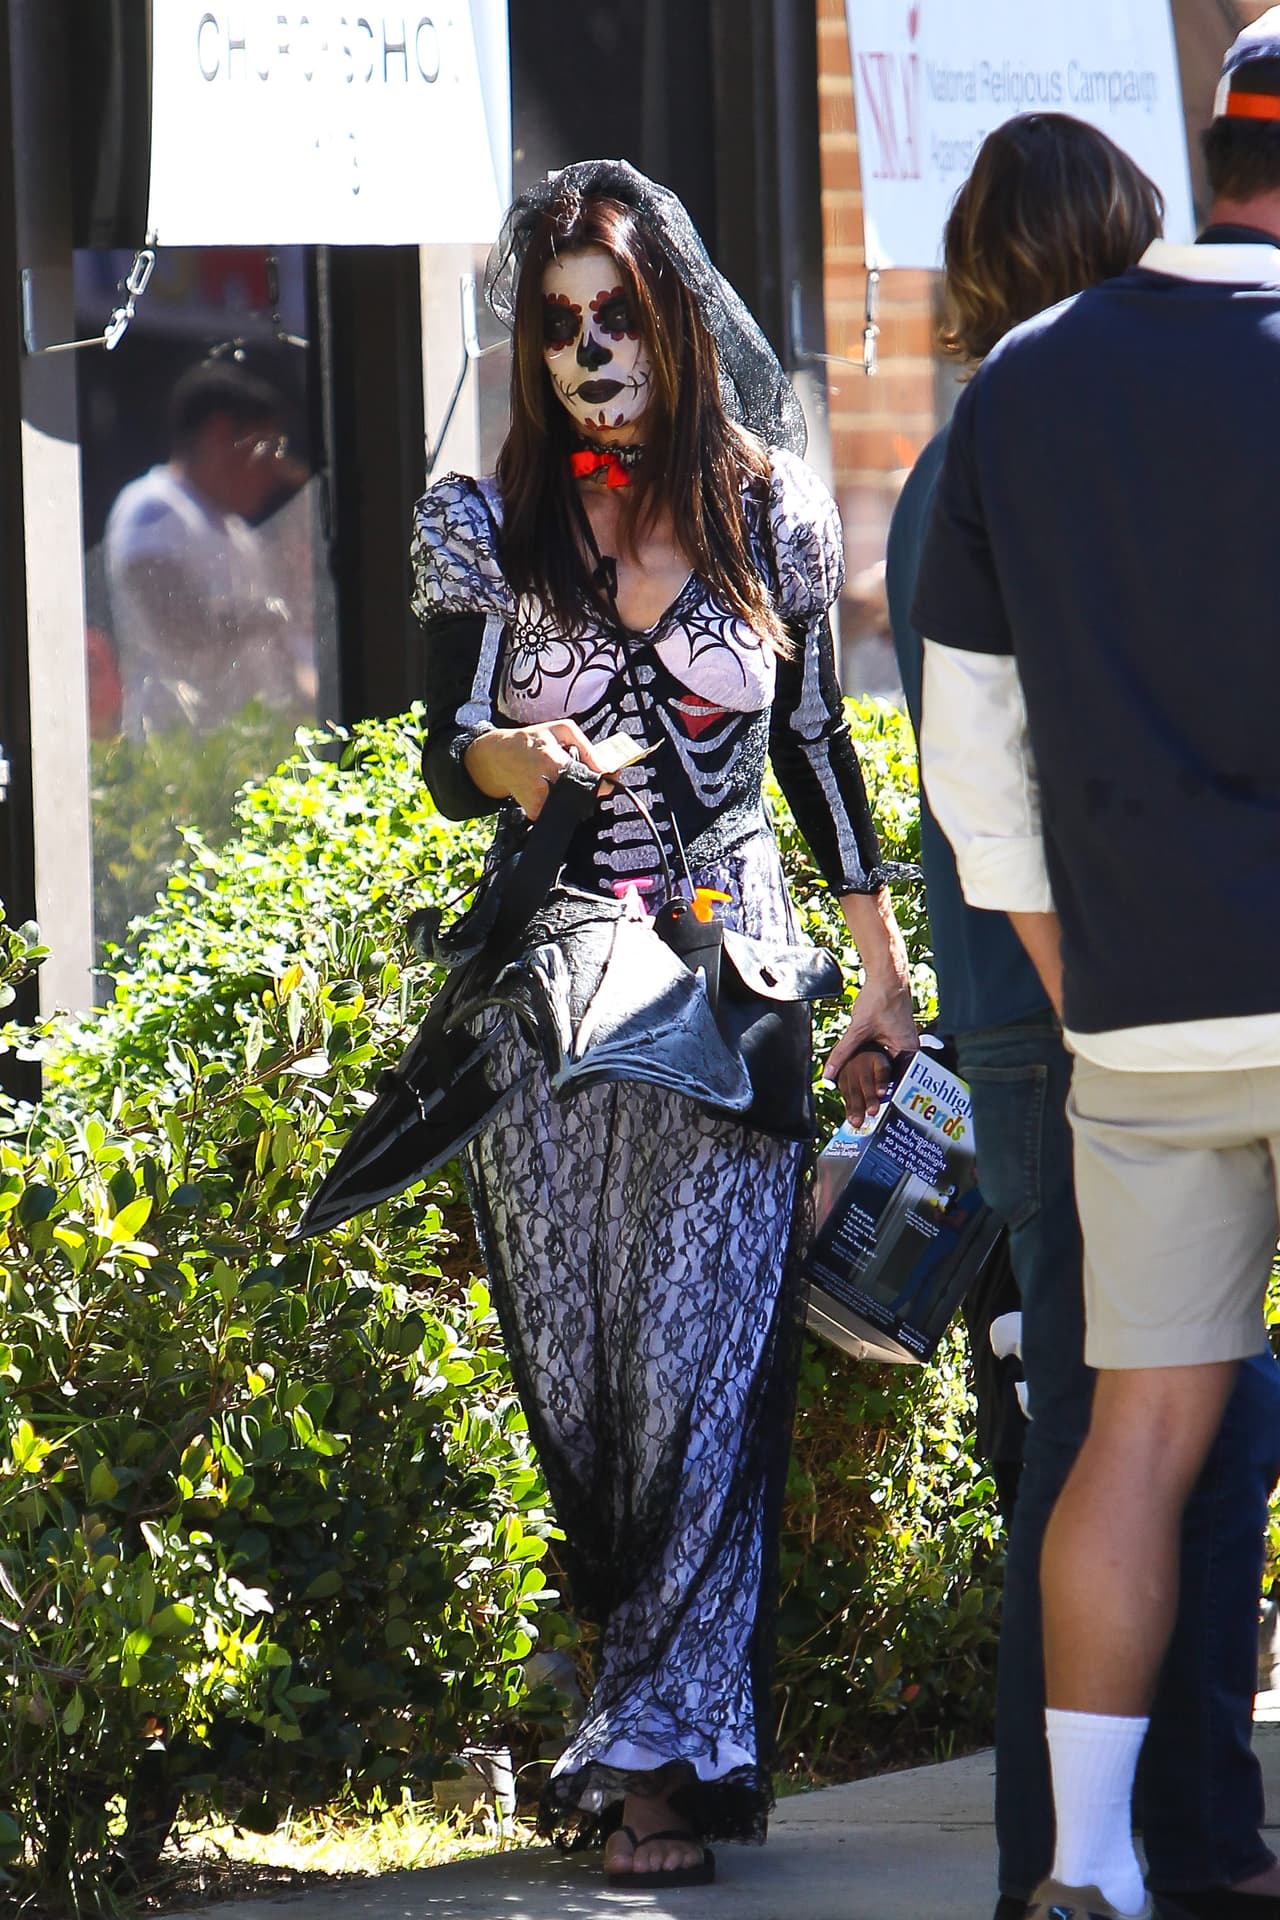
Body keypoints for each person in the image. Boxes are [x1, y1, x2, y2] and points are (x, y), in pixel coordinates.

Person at [408, 158, 916, 1888]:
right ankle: (627, 1713)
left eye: (617, 316)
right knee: (595, 1388)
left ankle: (656, 1769)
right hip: (558, 998)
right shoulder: (490, 521)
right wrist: (518, 758)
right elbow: (447, 753)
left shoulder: (771, 513)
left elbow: (818, 751)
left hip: (725, 984)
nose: (589, 351)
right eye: (560, 325)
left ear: (676, 323)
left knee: (703, 1372)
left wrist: (882, 969)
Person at [886, 111, 1280, 1920]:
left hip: (1129, 1017)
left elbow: (969, 770)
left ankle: (1100, 1867)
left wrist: (1081, 978)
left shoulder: (1019, 402)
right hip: (1131, 1002)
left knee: (1132, 1432)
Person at [104, 356, 315, 739]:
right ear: (220, 435)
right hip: (175, 752)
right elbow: (176, 627)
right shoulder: (152, 507)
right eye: (266, 449)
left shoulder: (238, 533)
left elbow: (275, 656)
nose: (272, 470)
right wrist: (263, 617)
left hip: (238, 750)